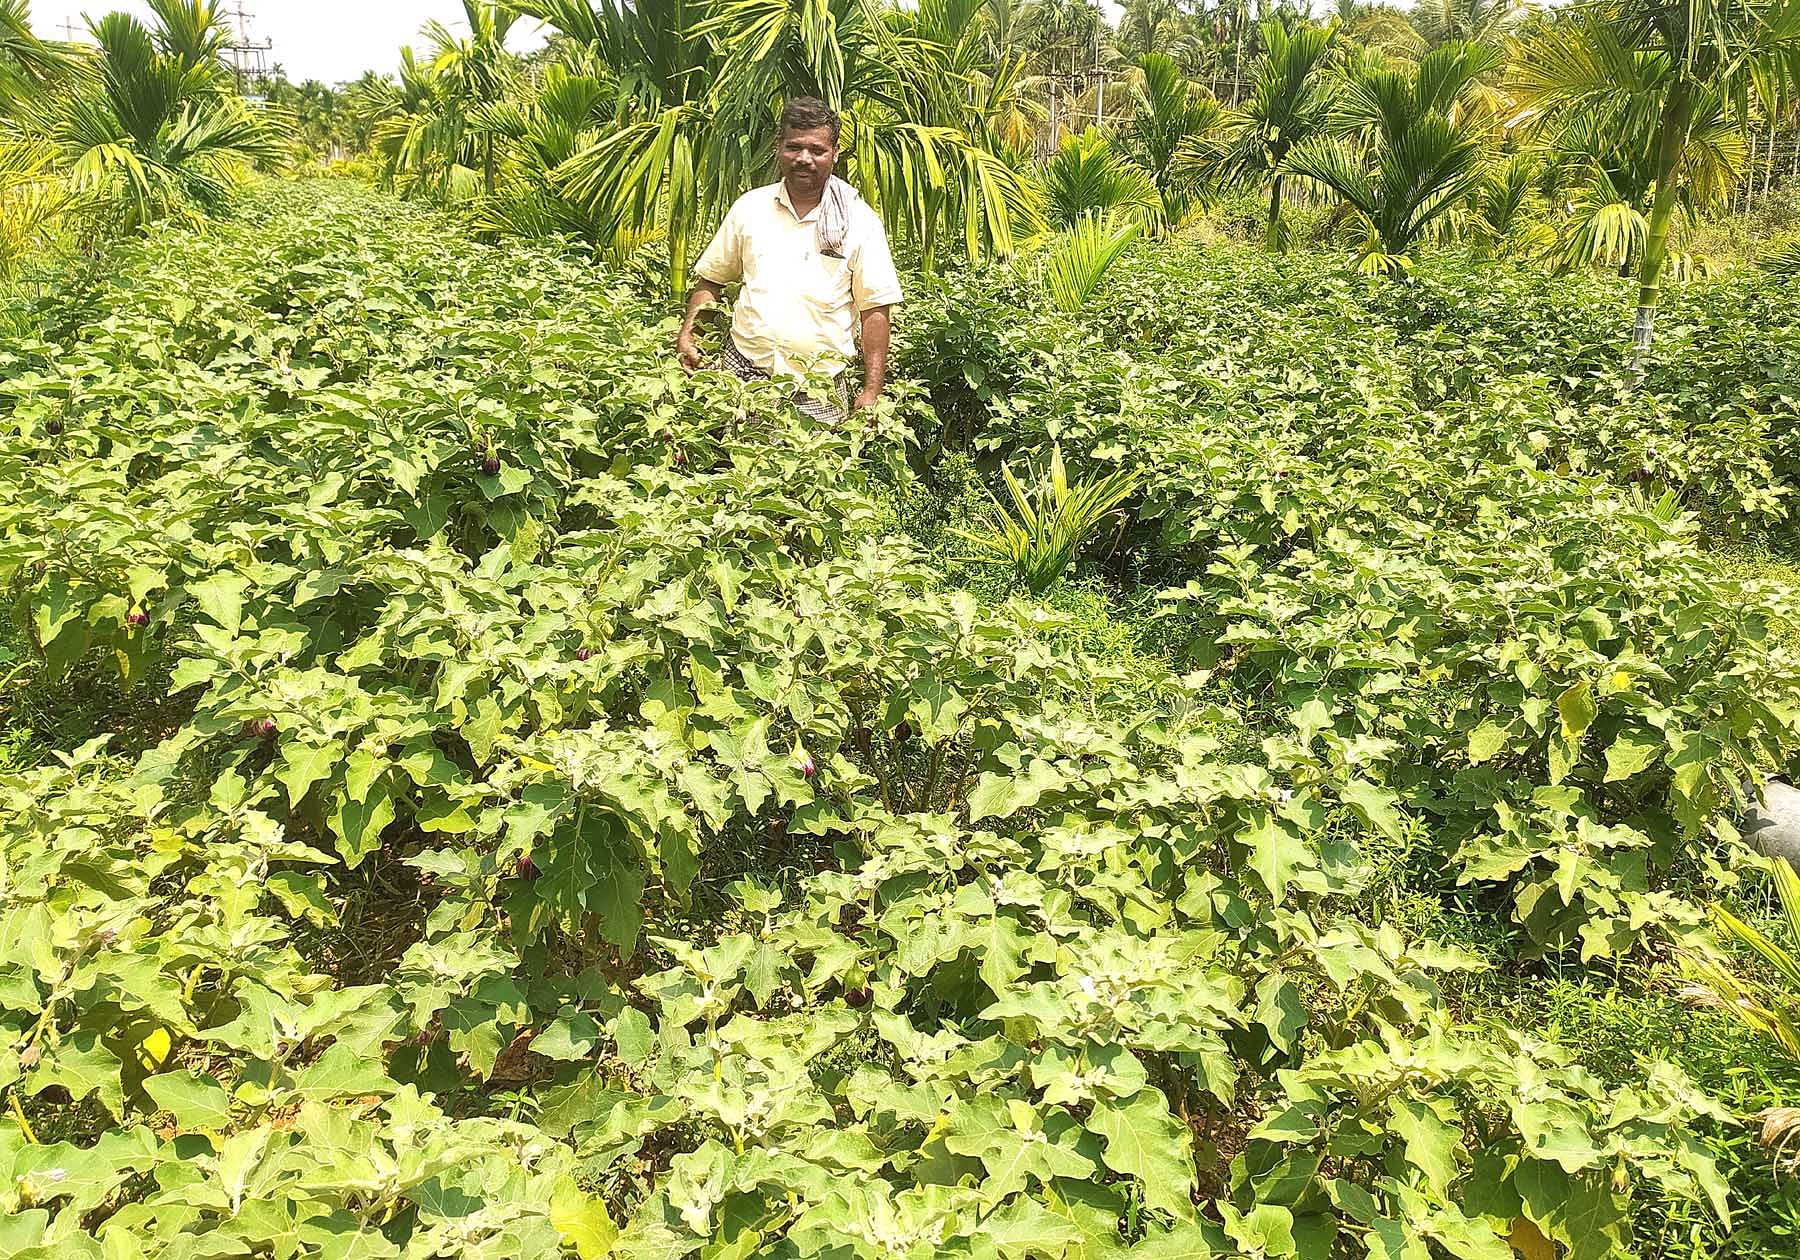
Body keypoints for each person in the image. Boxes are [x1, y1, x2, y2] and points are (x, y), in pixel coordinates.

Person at [676, 97, 901, 425]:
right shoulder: (750, 209)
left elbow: (875, 312)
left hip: (818, 389)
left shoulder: (859, 222)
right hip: (742, 376)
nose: (804, 159)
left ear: (835, 154)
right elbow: (712, 281)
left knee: (811, 474)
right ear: (777, 148)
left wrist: (871, 391)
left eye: (817, 150)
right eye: (794, 147)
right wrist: (689, 333)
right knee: (732, 471)